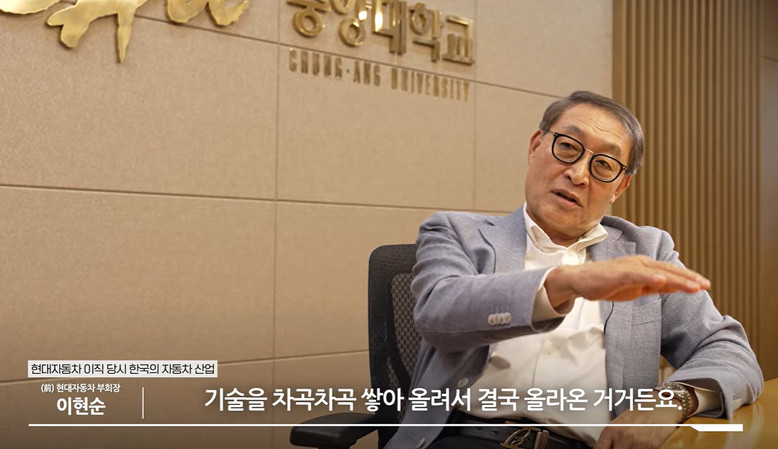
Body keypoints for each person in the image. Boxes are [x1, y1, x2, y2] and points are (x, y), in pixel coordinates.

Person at [386, 91, 763, 449]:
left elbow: (728, 350)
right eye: (567, 147)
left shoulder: (646, 250)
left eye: (604, 165)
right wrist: (567, 282)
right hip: (466, 439)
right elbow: (439, 312)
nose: (579, 174)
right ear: (535, 146)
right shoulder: (458, 232)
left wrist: (669, 401)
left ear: (620, 187)